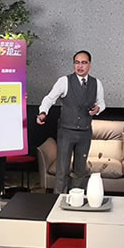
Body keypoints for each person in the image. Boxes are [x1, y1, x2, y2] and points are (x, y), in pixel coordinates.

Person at [36, 50, 106, 194]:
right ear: (73, 64)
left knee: (80, 170)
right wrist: (43, 112)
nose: (80, 66)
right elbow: (50, 98)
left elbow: (101, 102)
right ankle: (58, 200)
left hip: (85, 132)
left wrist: (98, 109)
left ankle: (76, 199)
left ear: (90, 65)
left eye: (84, 63)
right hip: (66, 132)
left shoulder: (96, 83)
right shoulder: (64, 81)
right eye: (77, 63)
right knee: (62, 169)